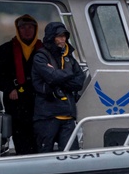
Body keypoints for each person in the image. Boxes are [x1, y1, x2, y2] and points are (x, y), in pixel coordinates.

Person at [0, 14, 43, 155]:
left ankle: (40, 161)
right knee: (20, 134)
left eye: (30, 27)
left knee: (39, 133)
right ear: (18, 30)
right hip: (16, 100)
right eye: (23, 27)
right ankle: (22, 160)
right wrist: (9, 87)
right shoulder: (5, 50)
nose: (27, 30)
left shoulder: (43, 49)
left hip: (39, 101)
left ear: (35, 29)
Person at [31, 21, 87, 153]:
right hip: (47, 116)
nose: (63, 39)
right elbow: (52, 77)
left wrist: (59, 77)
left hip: (67, 115)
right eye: (59, 36)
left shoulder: (68, 57)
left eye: (64, 36)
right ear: (51, 37)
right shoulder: (40, 57)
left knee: (71, 154)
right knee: (45, 153)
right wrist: (68, 74)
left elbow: (79, 82)